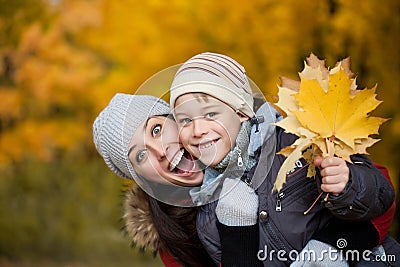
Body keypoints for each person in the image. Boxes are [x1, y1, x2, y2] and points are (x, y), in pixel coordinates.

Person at [169, 52, 397, 266]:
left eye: (211, 114)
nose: (197, 129)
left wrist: (348, 183)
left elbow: (381, 196)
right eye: (185, 120)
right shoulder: (209, 213)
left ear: (241, 112)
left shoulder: (299, 140)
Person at [93, 94, 216, 267]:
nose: (160, 151)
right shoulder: (175, 240)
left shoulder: (257, 149)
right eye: (141, 155)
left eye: (156, 130)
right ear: (143, 179)